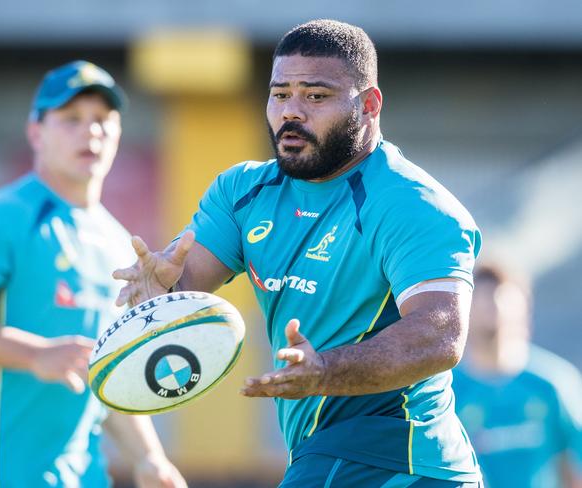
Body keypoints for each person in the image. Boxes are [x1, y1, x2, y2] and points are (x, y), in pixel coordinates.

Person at [115, 20, 483, 487]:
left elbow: (439, 336)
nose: (292, 112)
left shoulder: (411, 203)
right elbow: (187, 289)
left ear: (368, 105)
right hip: (323, 453)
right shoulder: (243, 192)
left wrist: (324, 370)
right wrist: (160, 293)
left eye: (315, 96)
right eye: (280, 94)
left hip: (393, 457)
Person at [0, 60, 186, 488]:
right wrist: (36, 354)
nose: (91, 132)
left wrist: (149, 458)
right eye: (71, 120)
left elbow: (105, 371)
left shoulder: (117, 241)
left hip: (82, 476)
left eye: (103, 120)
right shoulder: (4, 218)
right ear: (36, 132)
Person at [453, 262, 582, 488]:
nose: (492, 307)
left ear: (524, 308)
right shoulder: (447, 392)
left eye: (501, 298)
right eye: (481, 299)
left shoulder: (553, 383)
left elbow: (574, 465)